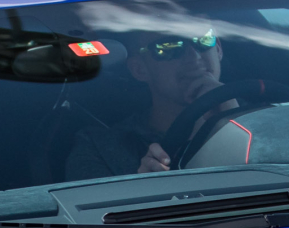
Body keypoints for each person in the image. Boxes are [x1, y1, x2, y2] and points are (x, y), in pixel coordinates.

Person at [67, 27, 236, 178]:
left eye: (203, 40)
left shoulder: (262, 115)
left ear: (218, 48)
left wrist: (238, 121)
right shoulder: (101, 148)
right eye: (169, 47)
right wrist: (146, 190)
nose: (194, 56)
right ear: (139, 69)